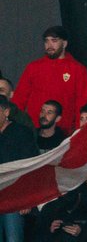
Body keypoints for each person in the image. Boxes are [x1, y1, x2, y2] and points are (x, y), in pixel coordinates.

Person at [13, 26, 87, 133]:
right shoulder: (33, 67)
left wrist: (78, 131)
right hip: (34, 130)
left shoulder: (78, 69)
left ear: (64, 43)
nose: (49, 45)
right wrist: (14, 126)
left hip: (63, 132)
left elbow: (82, 103)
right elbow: (19, 99)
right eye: (46, 41)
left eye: (54, 41)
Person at [0, 95, 37, 241]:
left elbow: (30, 166)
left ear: (6, 112)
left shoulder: (21, 133)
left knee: (13, 237)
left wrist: (27, 198)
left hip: (15, 197)